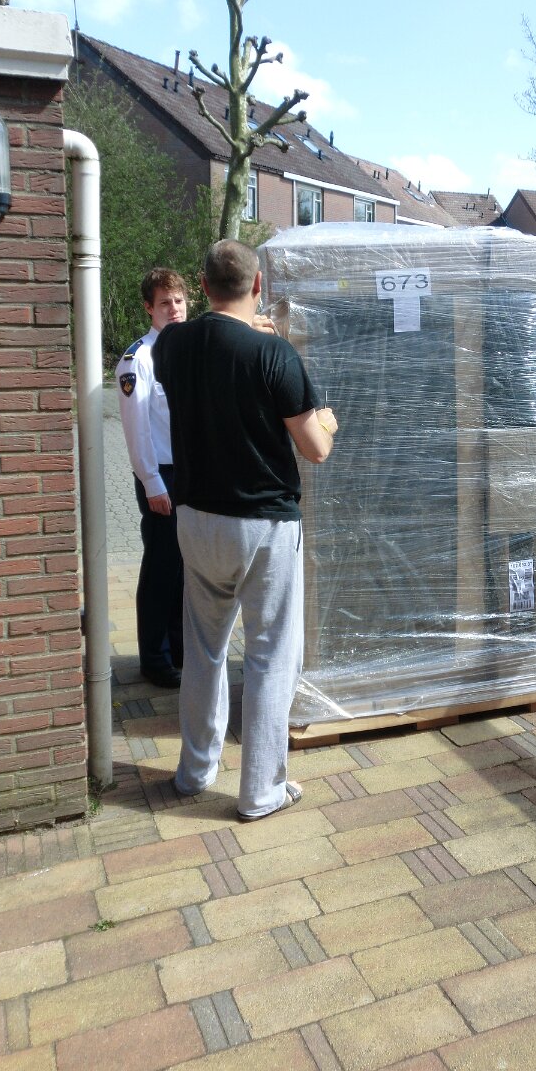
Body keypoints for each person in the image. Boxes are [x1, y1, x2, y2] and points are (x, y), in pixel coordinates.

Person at [153, 239, 338, 821]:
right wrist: (328, 421)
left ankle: (194, 772)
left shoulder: (172, 346)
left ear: (202, 286)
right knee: (269, 656)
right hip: (263, 525)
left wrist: (245, 329)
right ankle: (260, 791)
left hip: (195, 520)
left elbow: (204, 340)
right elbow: (315, 449)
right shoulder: (274, 354)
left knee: (204, 650)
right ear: (259, 286)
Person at [115, 268, 188, 689]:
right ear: (149, 308)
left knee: (185, 568)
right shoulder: (138, 360)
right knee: (161, 567)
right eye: (164, 303)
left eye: (178, 300)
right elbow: (136, 429)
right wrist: (152, 482)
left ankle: (179, 649)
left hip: (192, 473)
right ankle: (155, 658)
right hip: (163, 475)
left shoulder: (191, 348)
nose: (173, 309)